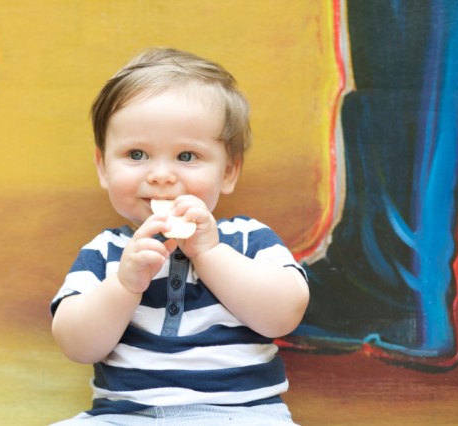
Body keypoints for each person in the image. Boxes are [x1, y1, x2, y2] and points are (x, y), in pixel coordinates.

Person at [50, 47, 309, 425]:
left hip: (242, 415)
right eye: (136, 154)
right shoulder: (106, 252)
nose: (160, 176)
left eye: (186, 156)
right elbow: (76, 345)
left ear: (228, 172)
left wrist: (210, 252)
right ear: (103, 167)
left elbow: (284, 316)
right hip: (126, 416)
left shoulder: (248, 239)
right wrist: (124, 285)